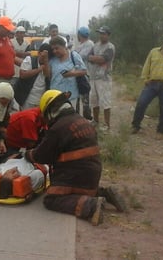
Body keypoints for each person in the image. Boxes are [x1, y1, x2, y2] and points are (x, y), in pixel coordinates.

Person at [24, 90, 126, 226]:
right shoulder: (83, 121)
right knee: (79, 189)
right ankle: (103, 194)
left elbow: (41, 156)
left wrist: (27, 154)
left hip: (76, 176)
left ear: (50, 112)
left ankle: (90, 206)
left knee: (52, 199)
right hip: (93, 175)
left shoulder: (58, 128)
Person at [131, 33, 163, 136]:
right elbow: (147, 66)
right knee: (141, 103)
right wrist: (145, 79)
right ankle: (135, 126)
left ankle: (160, 130)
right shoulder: (153, 52)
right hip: (152, 83)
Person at [87, 26, 115, 131]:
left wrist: (95, 58)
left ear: (108, 35)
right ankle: (95, 120)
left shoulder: (110, 47)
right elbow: (88, 57)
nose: (101, 35)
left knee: (105, 102)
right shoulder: (95, 46)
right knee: (94, 100)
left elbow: (103, 59)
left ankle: (107, 125)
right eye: (100, 33)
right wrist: (96, 59)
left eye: (103, 34)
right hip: (93, 77)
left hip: (104, 78)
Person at [49, 36, 86, 109]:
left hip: (70, 97)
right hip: (55, 96)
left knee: (70, 118)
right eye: (53, 49)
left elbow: (84, 71)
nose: (54, 51)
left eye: (57, 48)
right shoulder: (52, 59)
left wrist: (71, 74)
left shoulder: (73, 56)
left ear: (63, 46)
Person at [17, 43, 52, 110]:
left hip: (41, 100)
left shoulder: (49, 64)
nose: (44, 58)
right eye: (42, 56)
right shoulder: (29, 59)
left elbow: (47, 75)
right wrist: (38, 69)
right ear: (39, 53)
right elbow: (22, 75)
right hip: (27, 99)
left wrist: (46, 61)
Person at [74, 26, 94, 120]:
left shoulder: (89, 44)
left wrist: (73, 54)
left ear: (79, 34)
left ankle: (87, 118)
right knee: (77, 96)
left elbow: (81, 56)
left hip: (85, 74)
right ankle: (77, 117)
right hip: (77, 73)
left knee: (85, 97)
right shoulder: (80, 45)